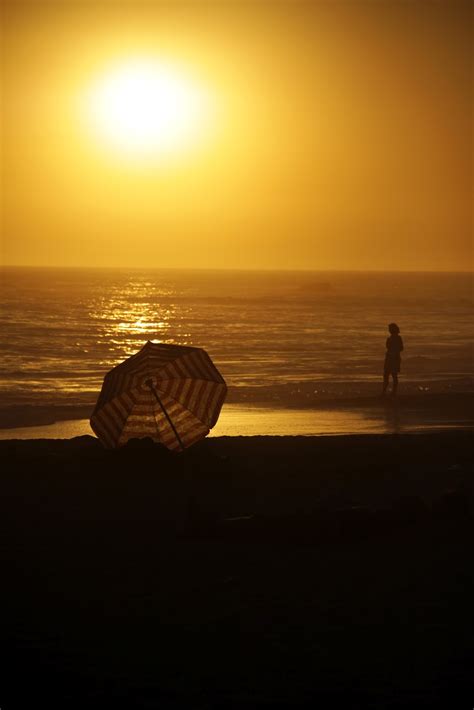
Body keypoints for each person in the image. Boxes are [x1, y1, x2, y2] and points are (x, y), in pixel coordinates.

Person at [382, 323, 404, 396]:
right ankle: (385, 391)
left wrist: (394, 351)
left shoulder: (397, 338)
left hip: (394, 358)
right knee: (386, 374)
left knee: (392, 375)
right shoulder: (390, 338)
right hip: (390, 358)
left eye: (390, 329)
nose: (389, 330)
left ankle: (392, 392)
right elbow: (400, 348)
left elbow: (401, 348)